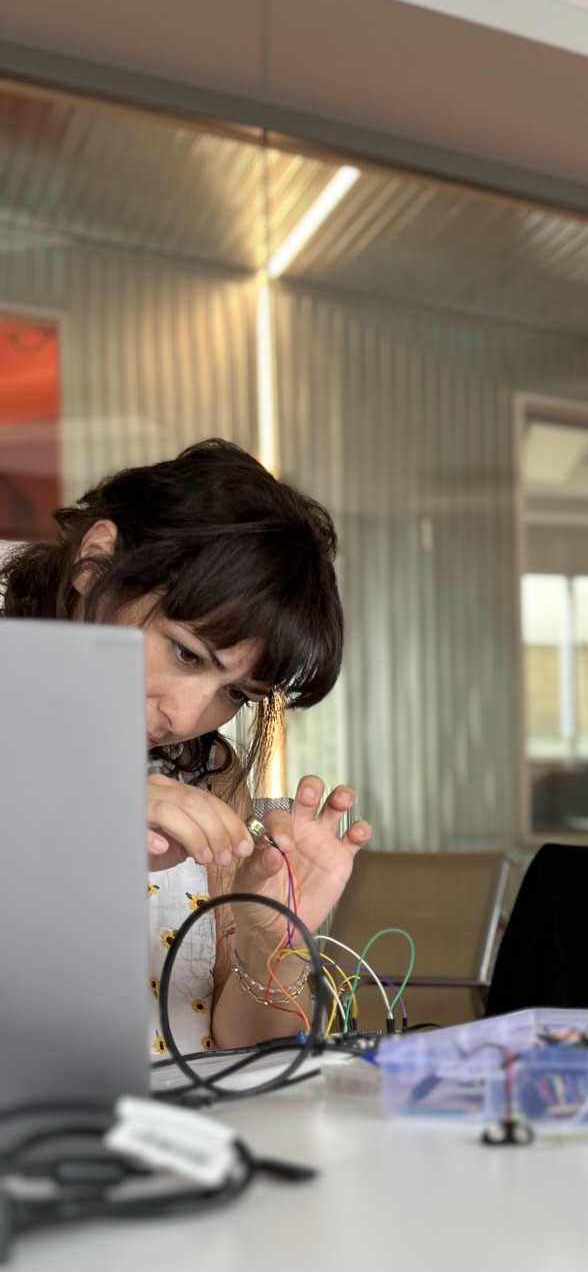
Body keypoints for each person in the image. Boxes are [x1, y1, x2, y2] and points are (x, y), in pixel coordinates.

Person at [1, 439, 370, 1054]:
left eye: (235, 694)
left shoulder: (210, 772)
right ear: (95, 561)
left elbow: (241, 1053)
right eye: (186, 654)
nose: (188, 717)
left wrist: (267, 945)